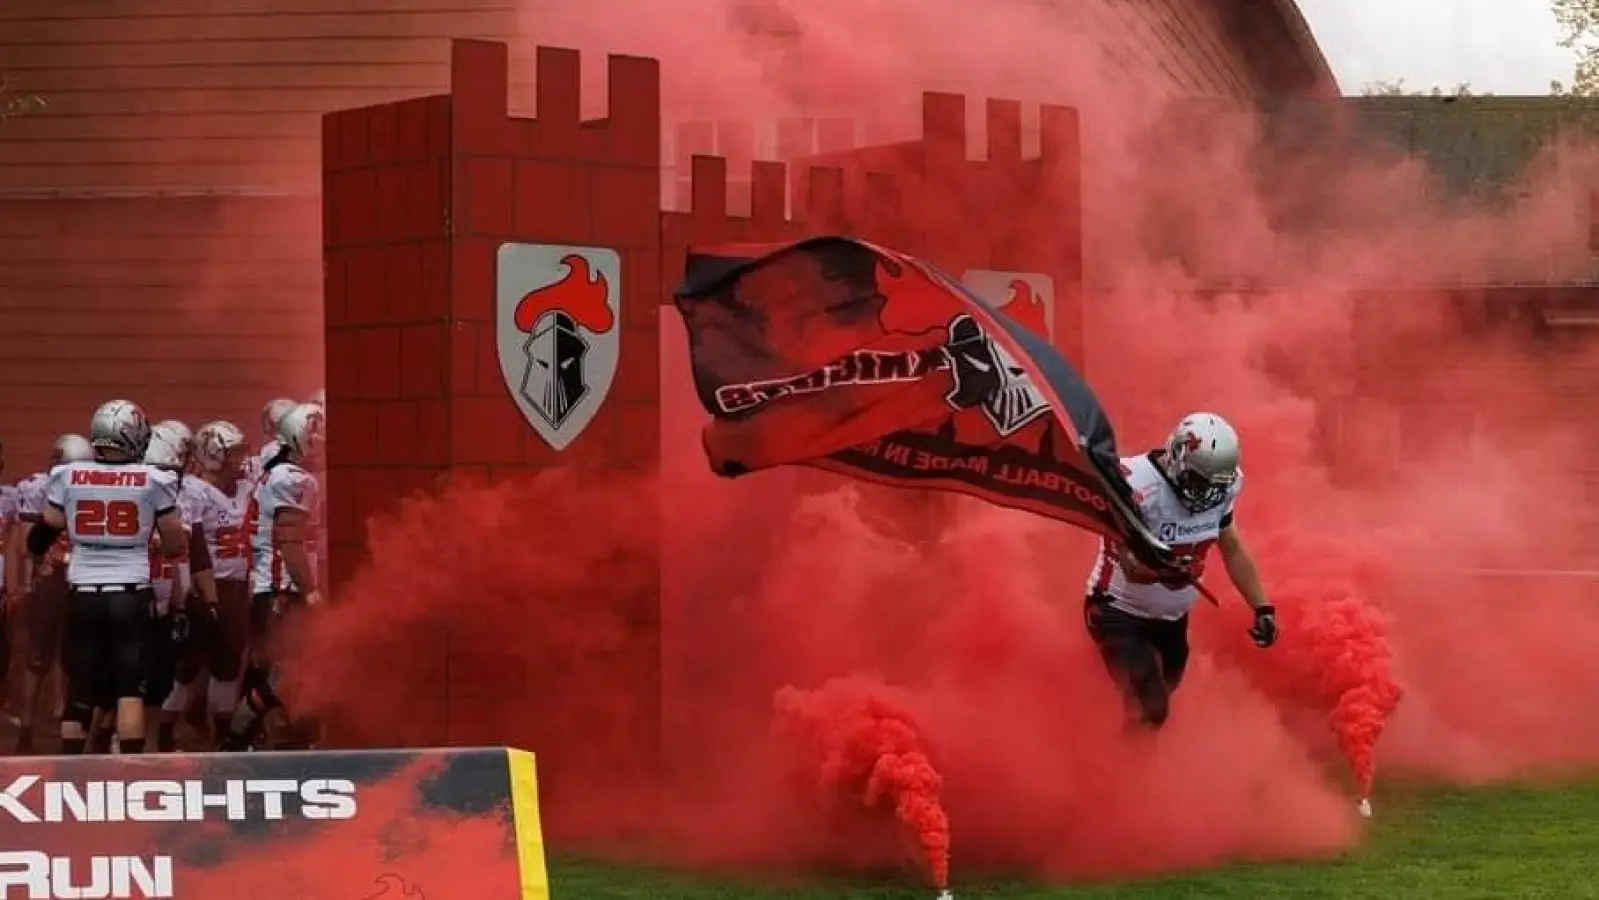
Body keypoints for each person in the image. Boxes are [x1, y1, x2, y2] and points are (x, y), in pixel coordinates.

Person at [1083, 412, 1278, 730]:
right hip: (1117, 611)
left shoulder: (1221, 490)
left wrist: (1262, 606)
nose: (1208, 495)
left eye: (1215, 485)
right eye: (1200, 482)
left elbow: (1232, 547)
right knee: (1150, 707)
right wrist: (1164, 572)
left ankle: (1110, 741)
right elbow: (1130, 564)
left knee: (1165, 688)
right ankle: (1124, 773)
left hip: (1171, 620)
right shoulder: (1132, 484)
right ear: (1177, 457)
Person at [27, 400, 187, 754]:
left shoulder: (67, 475)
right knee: (130, 687)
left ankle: (70, 767)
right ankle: (127, 771)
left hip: (83, 592)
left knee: (81, 684)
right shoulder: (154, 479)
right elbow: (175, 544)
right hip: (130, 594)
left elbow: (41, 534)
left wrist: (46, 554)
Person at [222, 401, 324, 751]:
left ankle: (251, 742)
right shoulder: (291, 478)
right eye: (317, 439)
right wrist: (311, 593)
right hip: (283, 590)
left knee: (270, 675)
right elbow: (290, 541)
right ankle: (237, 743)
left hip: (272, 588)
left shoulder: (277, 472)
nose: (322, 446)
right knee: (285, 679)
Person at [162, 419, 251, 749]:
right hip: (206, 588)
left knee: (228, 666)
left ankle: (222, 738)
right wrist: (185, 594)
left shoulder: (244, 487)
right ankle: (166, 735)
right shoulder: (193, 492)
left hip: (237, 588)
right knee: (188, 666)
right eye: (233, 454)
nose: (240, 461)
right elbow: (189, 549)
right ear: (214, 456)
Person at [4, 433, 94, 753]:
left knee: (76, 657)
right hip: (53, 581)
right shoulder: (37, 488)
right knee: (39, 656)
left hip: (79, 579)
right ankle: (27, 727)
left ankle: (68, 723)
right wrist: (35, 573)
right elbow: (30, 543)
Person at [142, 420, 219, 752]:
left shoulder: (190, 492)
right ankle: (111, 747)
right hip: (138, 594)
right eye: (185, 452)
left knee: (162, 675)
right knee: (130, 678)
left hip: (169, 595)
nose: (191, 460)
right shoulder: (140, 485)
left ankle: (151, 743)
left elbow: (197, 550)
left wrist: (197, 600)